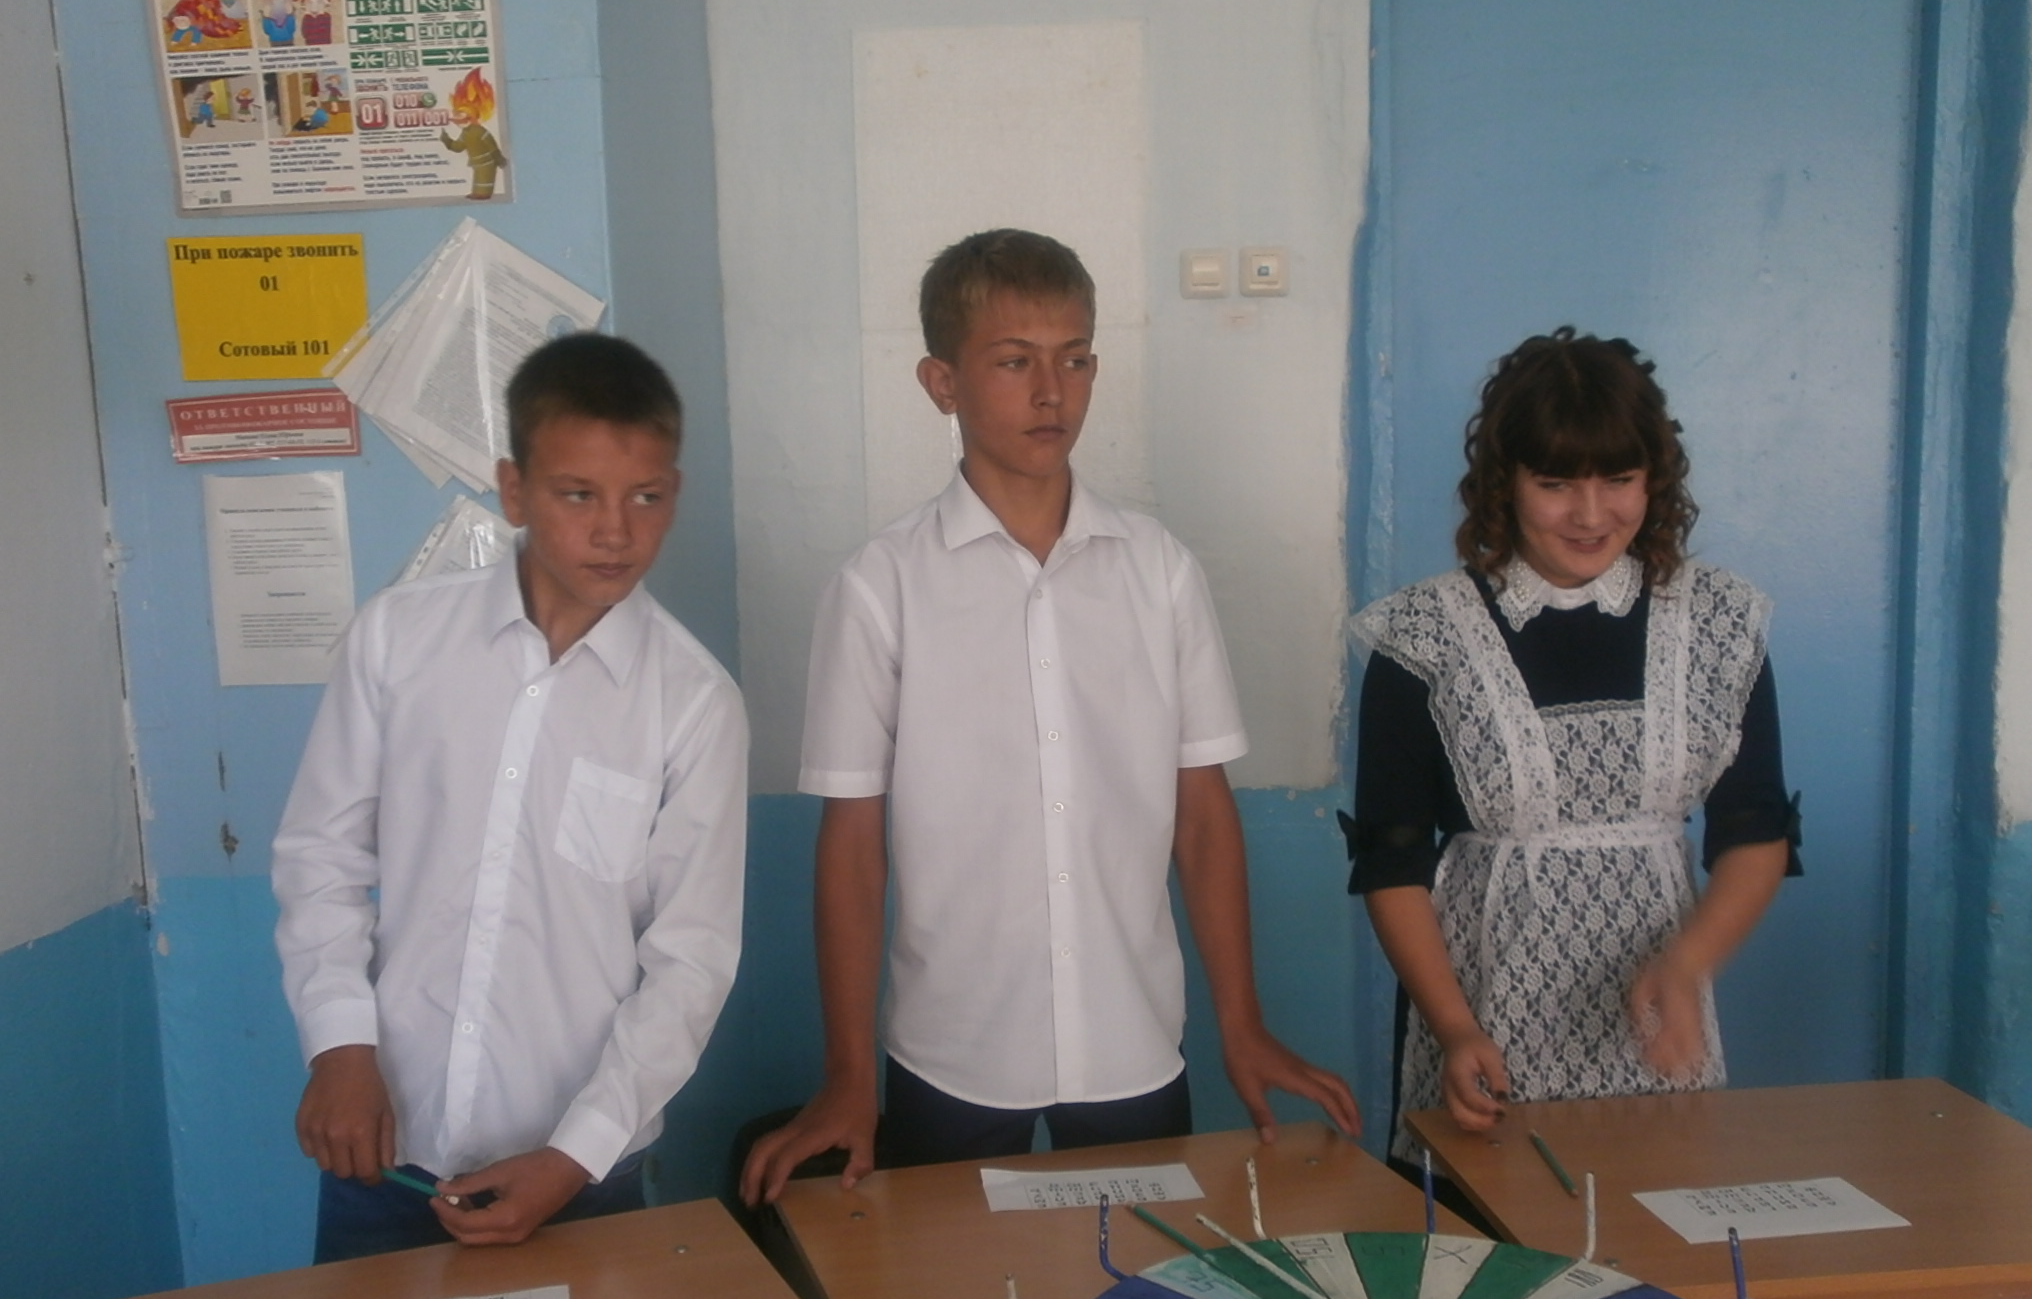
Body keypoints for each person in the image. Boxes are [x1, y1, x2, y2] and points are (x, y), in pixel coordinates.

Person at [740, 229, 1359, 1205]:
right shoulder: (881, 587)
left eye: (1073, 360)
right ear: (941, 383)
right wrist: (849, 1074)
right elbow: (852, 846)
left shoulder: (1157, 572)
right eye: (1012, 362)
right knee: (950, 1287)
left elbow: (1201, 817)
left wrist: (1239, 1023)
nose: (1049, 393)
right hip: (949, 1046)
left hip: (1132, 1039)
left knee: (1139, 1283)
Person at [273, 333, 749, 1261]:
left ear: (674, 495)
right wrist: (338, 1046)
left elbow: (690, 962)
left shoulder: (694, 704)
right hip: (383, 1142)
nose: (615, 531)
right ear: (515, 490)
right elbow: (319, 857)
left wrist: (575, 1154)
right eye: (578, 495)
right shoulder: (398, 640)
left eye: (645, 497)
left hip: (578, 1174)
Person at [1347, 328, 1799, 1161]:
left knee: (1652, 1230)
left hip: (1657, 1037)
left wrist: (1685, 965)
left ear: (1654, 479)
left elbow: (1757, 831)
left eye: (1619, 480)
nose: (1591, 516)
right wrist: (1453, 1027)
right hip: (1482, 1025)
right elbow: (1392, 864)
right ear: (1504, 484)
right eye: (1556, 484)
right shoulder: (1423, 636)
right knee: (1486, 1231)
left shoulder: (1720, 623)